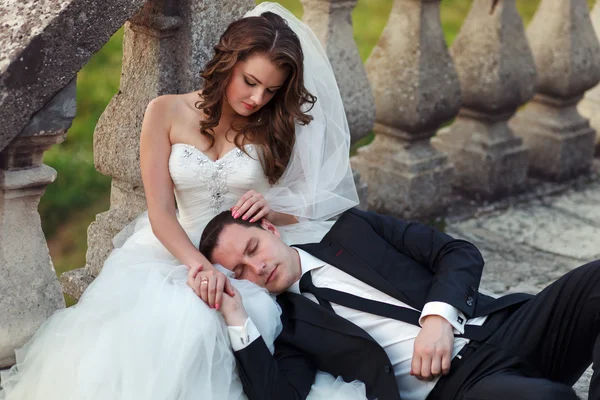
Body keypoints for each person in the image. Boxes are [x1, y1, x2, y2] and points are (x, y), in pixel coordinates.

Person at [0, 3, 364, 399]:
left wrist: (270, 210)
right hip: (173, 249)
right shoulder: (165, 111)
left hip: (244, 258)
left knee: (221, 327)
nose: (258, 98)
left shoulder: (277, 124)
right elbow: (160, 211)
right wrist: (200, 267)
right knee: (149, 337)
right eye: (250, 81)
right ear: (228, 62)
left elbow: (312, 205)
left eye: (271, 90)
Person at [197, 208, 600, 400]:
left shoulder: (355, 230)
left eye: (253, 248)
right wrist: (235, 315)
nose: (258, 266)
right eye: (241, 271)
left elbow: (458, 253)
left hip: (501, 329)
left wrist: (439, 318)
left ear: (269, 229)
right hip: (456, 388)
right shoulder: (289, 327)